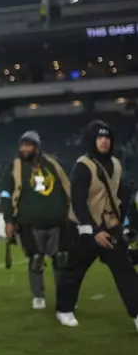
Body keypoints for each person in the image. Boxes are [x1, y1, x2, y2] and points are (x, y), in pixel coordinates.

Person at [56, 120, 138, 330]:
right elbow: (78, 202)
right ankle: (64, 309)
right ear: (92, 140)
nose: (104, 141)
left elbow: (118, 198)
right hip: (84, 228)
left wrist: (122, 225)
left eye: (107, 137)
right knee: (74, 271)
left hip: (110, 227)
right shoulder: (83, 166)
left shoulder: (117, 164)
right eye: (99, 137)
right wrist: (93, 230)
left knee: (125, 270)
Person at [0, 131, 71, 310]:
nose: (24, 148)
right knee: (36, 259)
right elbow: (6, 194)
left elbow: (67, 187)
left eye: (28, 145)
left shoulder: (53, 164)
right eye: (22, 145)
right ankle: (38, 295)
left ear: (37, 147)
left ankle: (64, 296)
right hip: (28, 222)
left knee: (61, 259)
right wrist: (9, 220)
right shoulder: (15, 166)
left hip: (58, 221)